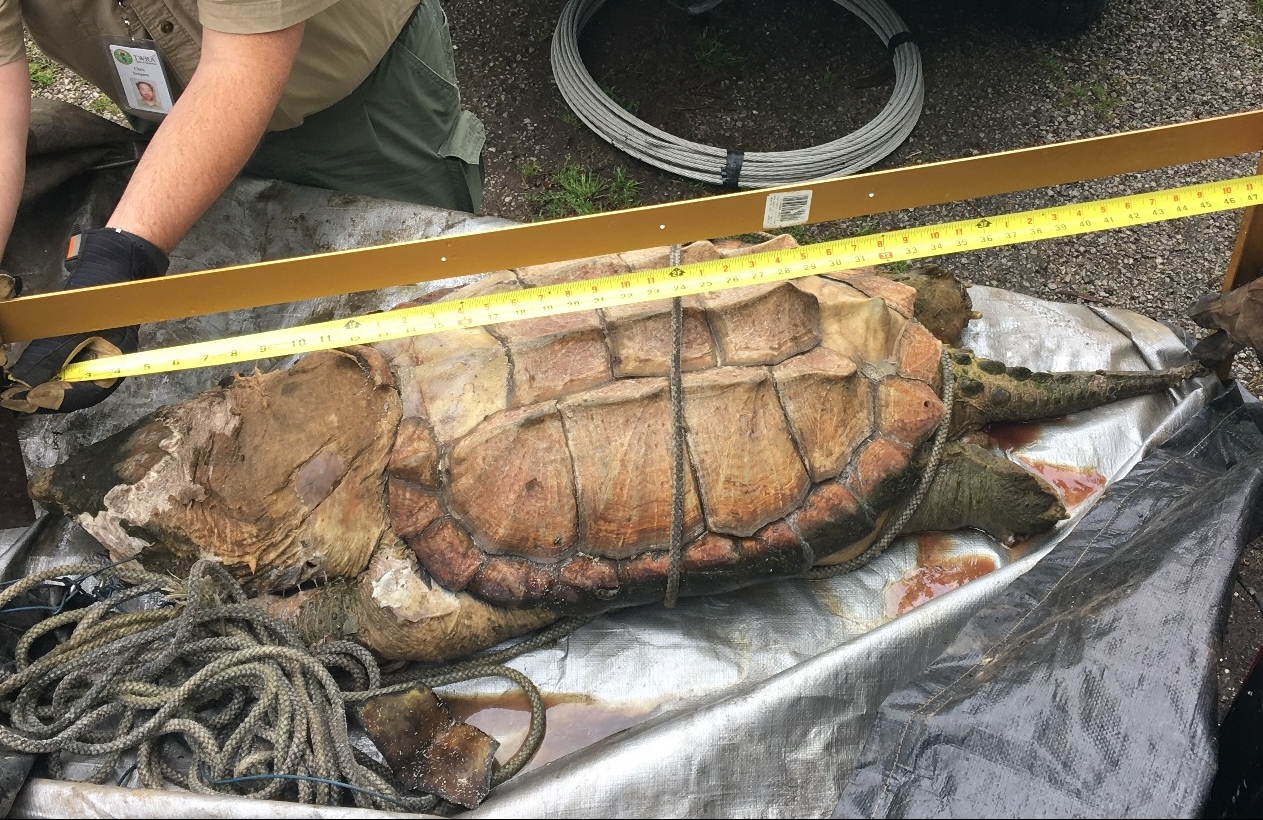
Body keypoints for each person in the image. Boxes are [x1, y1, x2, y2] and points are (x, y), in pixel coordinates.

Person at [0, 0, 486, 413]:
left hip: (357, 104)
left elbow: (241, 63)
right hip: (170, 112)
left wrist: (121, 254)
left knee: (433, 316)